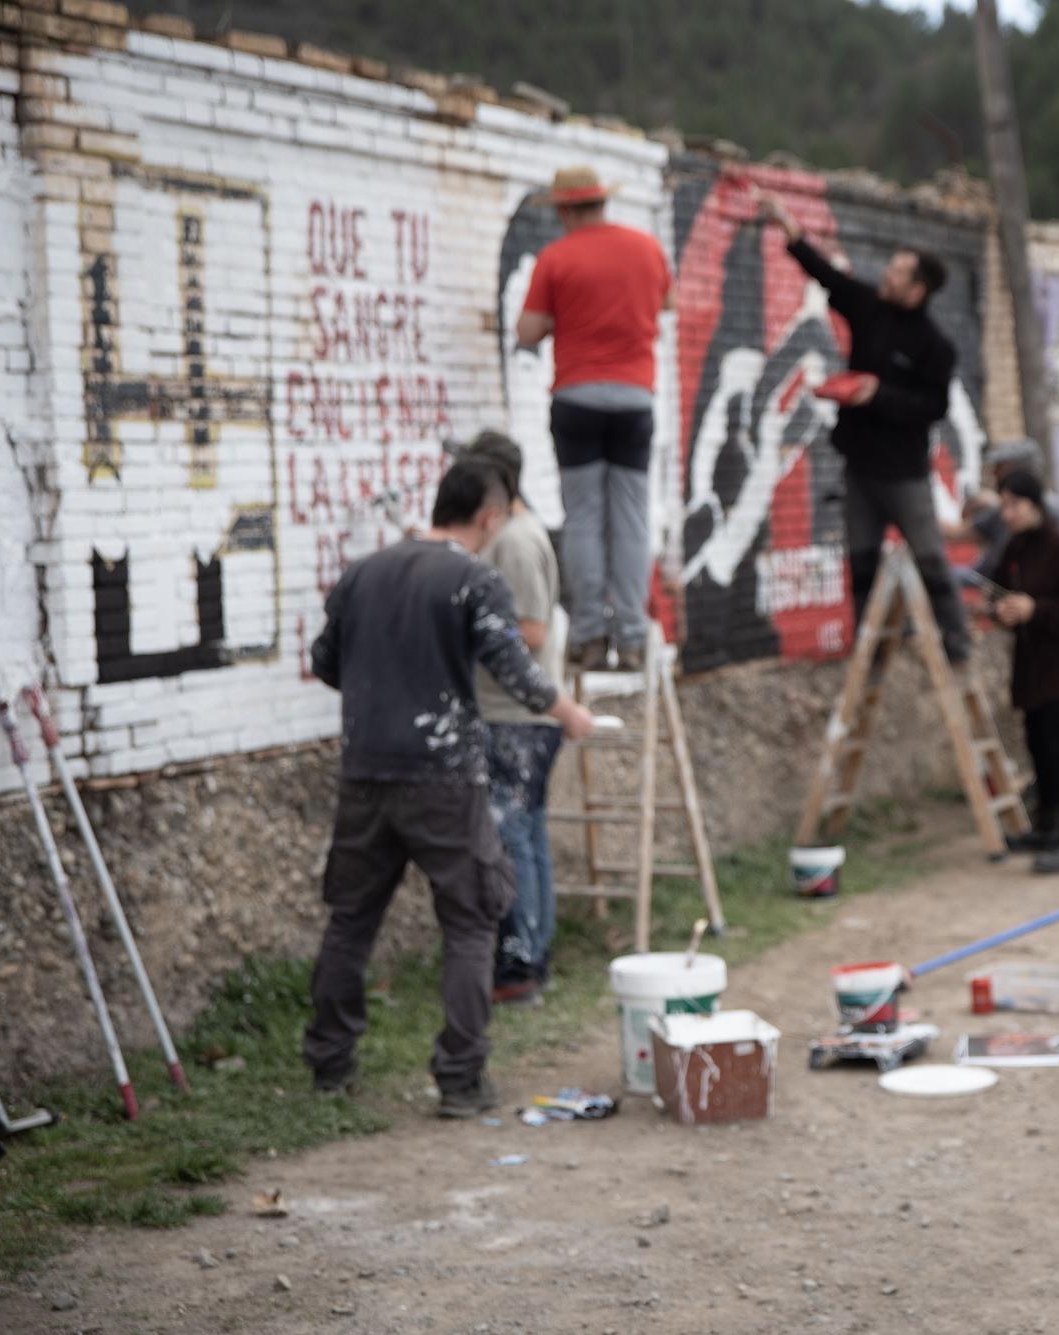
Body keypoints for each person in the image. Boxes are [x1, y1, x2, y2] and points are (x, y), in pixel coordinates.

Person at [303, 458, 595, 1118]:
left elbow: (325, 663)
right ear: (489, 517)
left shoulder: (364, 572)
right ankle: (460, 1078)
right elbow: (513, 666)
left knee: (351, 917)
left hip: (366, 771)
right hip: (443, 779)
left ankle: (330, 1063)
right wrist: (567, 711)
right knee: (469, 921)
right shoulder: (474, 578)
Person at [752, 184, 975, 665]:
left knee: (931, 558)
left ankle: (956, 643)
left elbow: (932, 407)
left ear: (918, 290)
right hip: (860, 466)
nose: (887, 276)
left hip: (905, 473)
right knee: (862, 563)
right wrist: (790, 229)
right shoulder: (869, 307)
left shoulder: (934, 345)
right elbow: (827, 275)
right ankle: (872, 651)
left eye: (897, 272)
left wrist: (881, 394)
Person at [515, 164, 674, 673]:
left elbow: (529, 329)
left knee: (583, 516)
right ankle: (629, 638)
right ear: (602, 201)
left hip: (577, 399)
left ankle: (586, 636)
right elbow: (664, 304)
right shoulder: (648, 249)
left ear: (564, 209)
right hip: (634, 399)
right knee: (630, 518)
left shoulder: (556, 258)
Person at [457, 431, 568, 1008]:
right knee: (526, 834)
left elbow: (531, 632)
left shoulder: (518, 542)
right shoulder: (511, 536)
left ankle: (522, 962)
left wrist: (463, 625)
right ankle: (533, 955)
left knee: (513, 837)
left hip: (517, 717)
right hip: (522, 715)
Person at [988, 467, 1059, 873]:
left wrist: (1036, 608)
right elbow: (996, 590)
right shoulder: (1016, 548)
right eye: (1003, 505)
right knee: (1039, 748)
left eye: (1013, 504)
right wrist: (1000, 610)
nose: (1007, 513)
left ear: (1033, 503)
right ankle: (1048, 827)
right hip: (1032, 669)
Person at [948, 437, 1059, 588]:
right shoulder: (1001, 513)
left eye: (1001, 468)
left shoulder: (1055, 512)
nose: (995, 474)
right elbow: (960, 534)